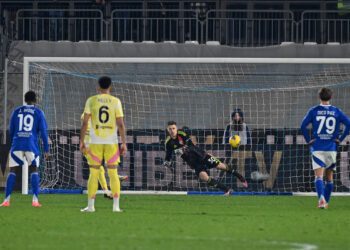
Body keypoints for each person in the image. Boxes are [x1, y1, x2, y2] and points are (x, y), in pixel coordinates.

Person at [80, 76, 127, 212]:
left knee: (93, 173)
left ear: (98, 87)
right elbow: (121, 124)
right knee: (113, 173)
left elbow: (84, 123)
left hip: (95, 142)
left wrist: (82, 141)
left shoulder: (91, 100)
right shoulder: (116, 101)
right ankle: (116, 207)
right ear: (110, 86)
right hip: (111, 142)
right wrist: (124, 142)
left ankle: (90, 206)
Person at [164, 121, 248, 196]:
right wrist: (167, 162)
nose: (172, 130)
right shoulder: (168, 143)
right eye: (170, 129)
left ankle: (240, 177)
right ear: (168, 130)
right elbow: (168, 155)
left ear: (176, 128)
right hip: (193, 162)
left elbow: (191, 145)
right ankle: (227, 190)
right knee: (204, 177)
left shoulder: (182, 134)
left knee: (220, 166)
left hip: (201, 155)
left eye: (173, 128)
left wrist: (182, 150)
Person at [301, 87, 350, 209]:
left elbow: (303, 125)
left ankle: (321, 201)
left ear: (319, 97)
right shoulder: (336, 111)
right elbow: (348, 124)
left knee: (318, 176)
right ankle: (325, 202)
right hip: (331, 147)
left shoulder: (313, 110)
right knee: (329, 177)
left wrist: (308, 139)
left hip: (317, 147)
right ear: (331, 97)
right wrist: (340, 138)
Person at [1, 91, 49, 207]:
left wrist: (14, 142)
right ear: (35, 100)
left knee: (12, 171)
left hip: (17, 144)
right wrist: (47, 149)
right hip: (31, 145)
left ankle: (6, 200)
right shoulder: (38, 112)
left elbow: (11, 130)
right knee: (34, 170)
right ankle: (35, 201)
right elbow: (43, 132)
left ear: (25, 99)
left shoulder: (16, 111)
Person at [80, 113, 128, 200]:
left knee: (99, 167)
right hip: (92, 143)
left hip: (92, 143)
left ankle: (109, 186)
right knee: (100, 167)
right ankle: (110, 185)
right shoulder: (93, 113)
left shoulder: (92, 113)